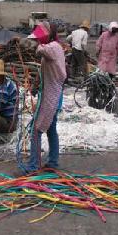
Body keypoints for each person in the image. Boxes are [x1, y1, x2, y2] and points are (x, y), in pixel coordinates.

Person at [26, 22, 66, 172]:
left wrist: (29, 43)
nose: (37, 41)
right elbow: (44, 69)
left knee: (36, 130)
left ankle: (33, 166)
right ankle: (53, 162)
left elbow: (40, 50)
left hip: (52, 96)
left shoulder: (53, 47)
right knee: (50, 129)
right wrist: (36, 84)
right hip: (51, 94)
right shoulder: (52, 48)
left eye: (38, 38)